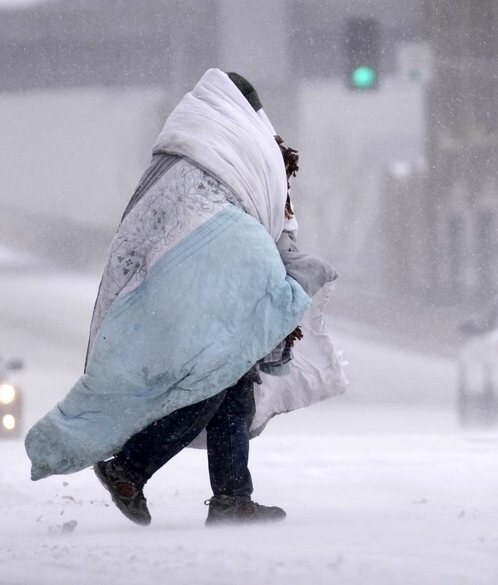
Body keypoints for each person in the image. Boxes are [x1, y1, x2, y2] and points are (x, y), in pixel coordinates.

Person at [25, 68, 345, 526]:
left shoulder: (187, 148)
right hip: (202, 280)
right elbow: (259, 216)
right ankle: (130, 467)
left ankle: (232, 497)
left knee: (232, 381)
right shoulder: (239, 148)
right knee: (214, 377)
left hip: (174, 279)